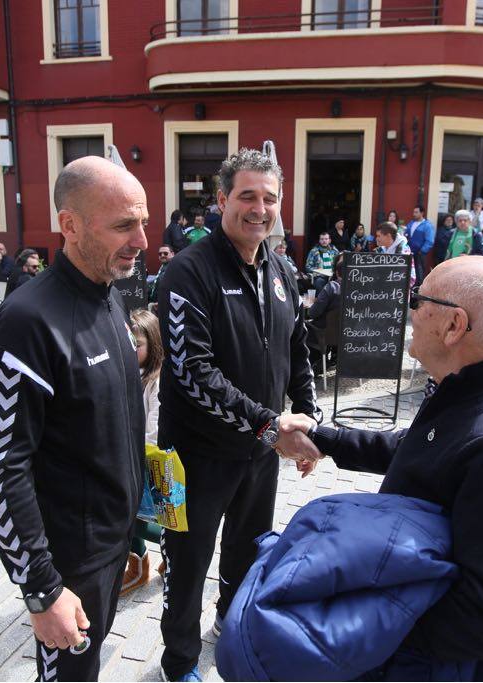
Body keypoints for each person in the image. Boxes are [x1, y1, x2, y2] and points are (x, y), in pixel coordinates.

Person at [276, 256, 483, 678]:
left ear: (453, 325)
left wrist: (361, 626)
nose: (410, 311)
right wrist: (323, 436)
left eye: (419, 299)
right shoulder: (466, 390)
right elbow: (416, 449)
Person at [0, 156, 148, 682]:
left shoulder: (111, 297)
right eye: (123, 225)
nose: (141, 239)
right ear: (69, 226)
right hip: (69, 560)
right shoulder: (27, 323)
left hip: (113, 540)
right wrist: (42, 588)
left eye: (142, 221)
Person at [156, 148, 320, 682]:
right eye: (247, 196)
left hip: (258, 453)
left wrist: (309, 415)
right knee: (186, 566)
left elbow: (298, 345)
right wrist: (272, 425)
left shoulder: (280, 267)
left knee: (247, 553)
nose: (259, 208)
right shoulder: (187, 271)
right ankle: (178, 662)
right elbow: (191, 372)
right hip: (194, 456)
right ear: (221, 200)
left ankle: (233, 619)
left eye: (270, 198)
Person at [121, 308, 166, 596]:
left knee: (133, 519)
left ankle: (175, 547)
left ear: (153, 344)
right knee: (127, 516)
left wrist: (142, 457)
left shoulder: (156, 380)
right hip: (123, 458)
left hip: (145, 461)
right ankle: (138, 566)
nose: (131, 350)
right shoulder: (126, 372)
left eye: (137, 345)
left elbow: (154, 428)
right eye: (127, 344)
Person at [406, 206, 435, 282]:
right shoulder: (411, 223)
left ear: (422, 213)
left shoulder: (427, 225)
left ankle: (419, 289)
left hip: (420, 253)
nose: (414, 214)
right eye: (413, 212)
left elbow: (430, 240)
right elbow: (406, 234)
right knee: (410, 272)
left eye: (416, 212)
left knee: (419, 273)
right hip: (409, 253)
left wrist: (422, 251)